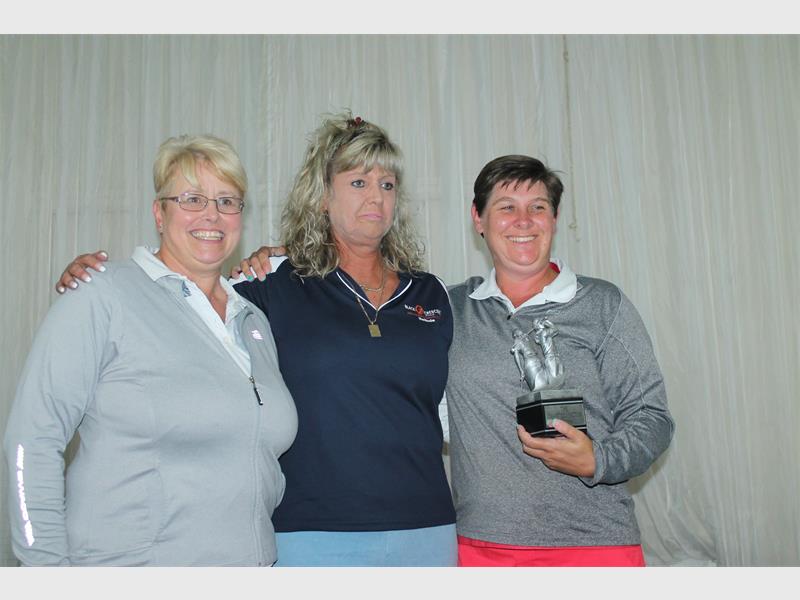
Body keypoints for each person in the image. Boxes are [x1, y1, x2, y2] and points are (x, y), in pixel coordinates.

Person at [52, 113, 457, 566]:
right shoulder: (267, 285)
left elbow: (449, 412)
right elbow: (179, 298)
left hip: (428, 529)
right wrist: (100, 277)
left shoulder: (431, 293)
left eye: (387, 184)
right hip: (310, 534)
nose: (376, 197)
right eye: (358, 182)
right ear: (322, 196)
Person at [5, 135, 297, 566]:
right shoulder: (101, 295)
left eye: (227, 201)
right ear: (160, 213)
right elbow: (31, 442)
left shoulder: (252, 319)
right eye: (192, 199)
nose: (212, 215)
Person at [446, 154, 674, 566]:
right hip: (482, 548)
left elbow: (652, 417)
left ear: (553, 219)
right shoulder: (451, 309)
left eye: (538, 207)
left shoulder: (603, 304)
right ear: (478, 218)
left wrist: (598, 459)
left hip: (595, 546)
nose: (524, 221)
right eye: (507, 207)